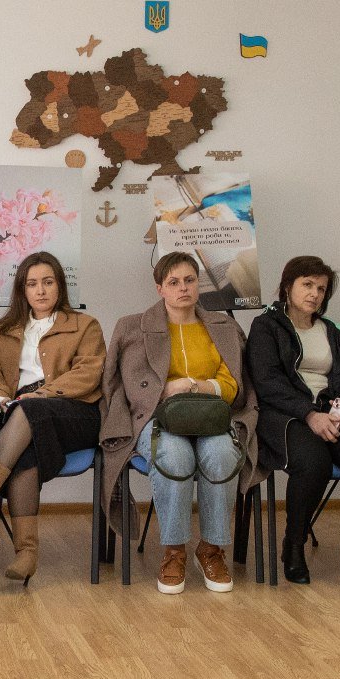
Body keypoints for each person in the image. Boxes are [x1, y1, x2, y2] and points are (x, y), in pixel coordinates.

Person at [0, 250, 105, 582]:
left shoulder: (84, 325)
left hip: (76, 415)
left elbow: (89, 373)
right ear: (22, 290)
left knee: (29, 410)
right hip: (22, 416)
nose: (40, 290)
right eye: (32, 284)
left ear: (60, 285)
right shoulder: (6, 330)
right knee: (24, 450)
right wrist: (1, 398)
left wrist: (42, 395)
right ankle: (26, 552)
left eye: (48, 282)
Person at [100, 252, 257, 596]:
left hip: (214, 416)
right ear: (159, 288)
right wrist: (165, 390)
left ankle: (211, 549)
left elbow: (234, 382)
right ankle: (174, 551)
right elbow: (124, 384)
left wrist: (198, 386)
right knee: (175, 456)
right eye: (173, 282)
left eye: (189, 280)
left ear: (198, 284)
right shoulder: (132, 327)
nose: (183, 288)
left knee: (221, 454)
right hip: (155, 417)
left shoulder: (224, 326)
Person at [244, 255, 340, 594]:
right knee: (313, 461)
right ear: (288, 286)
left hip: (331, 415)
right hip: (284, 416)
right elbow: (266, 382)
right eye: (307, 285)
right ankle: (294, 544)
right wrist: (309, 414)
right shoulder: (266, 326)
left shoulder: (333, 332)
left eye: (321, 289)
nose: (315, 294)